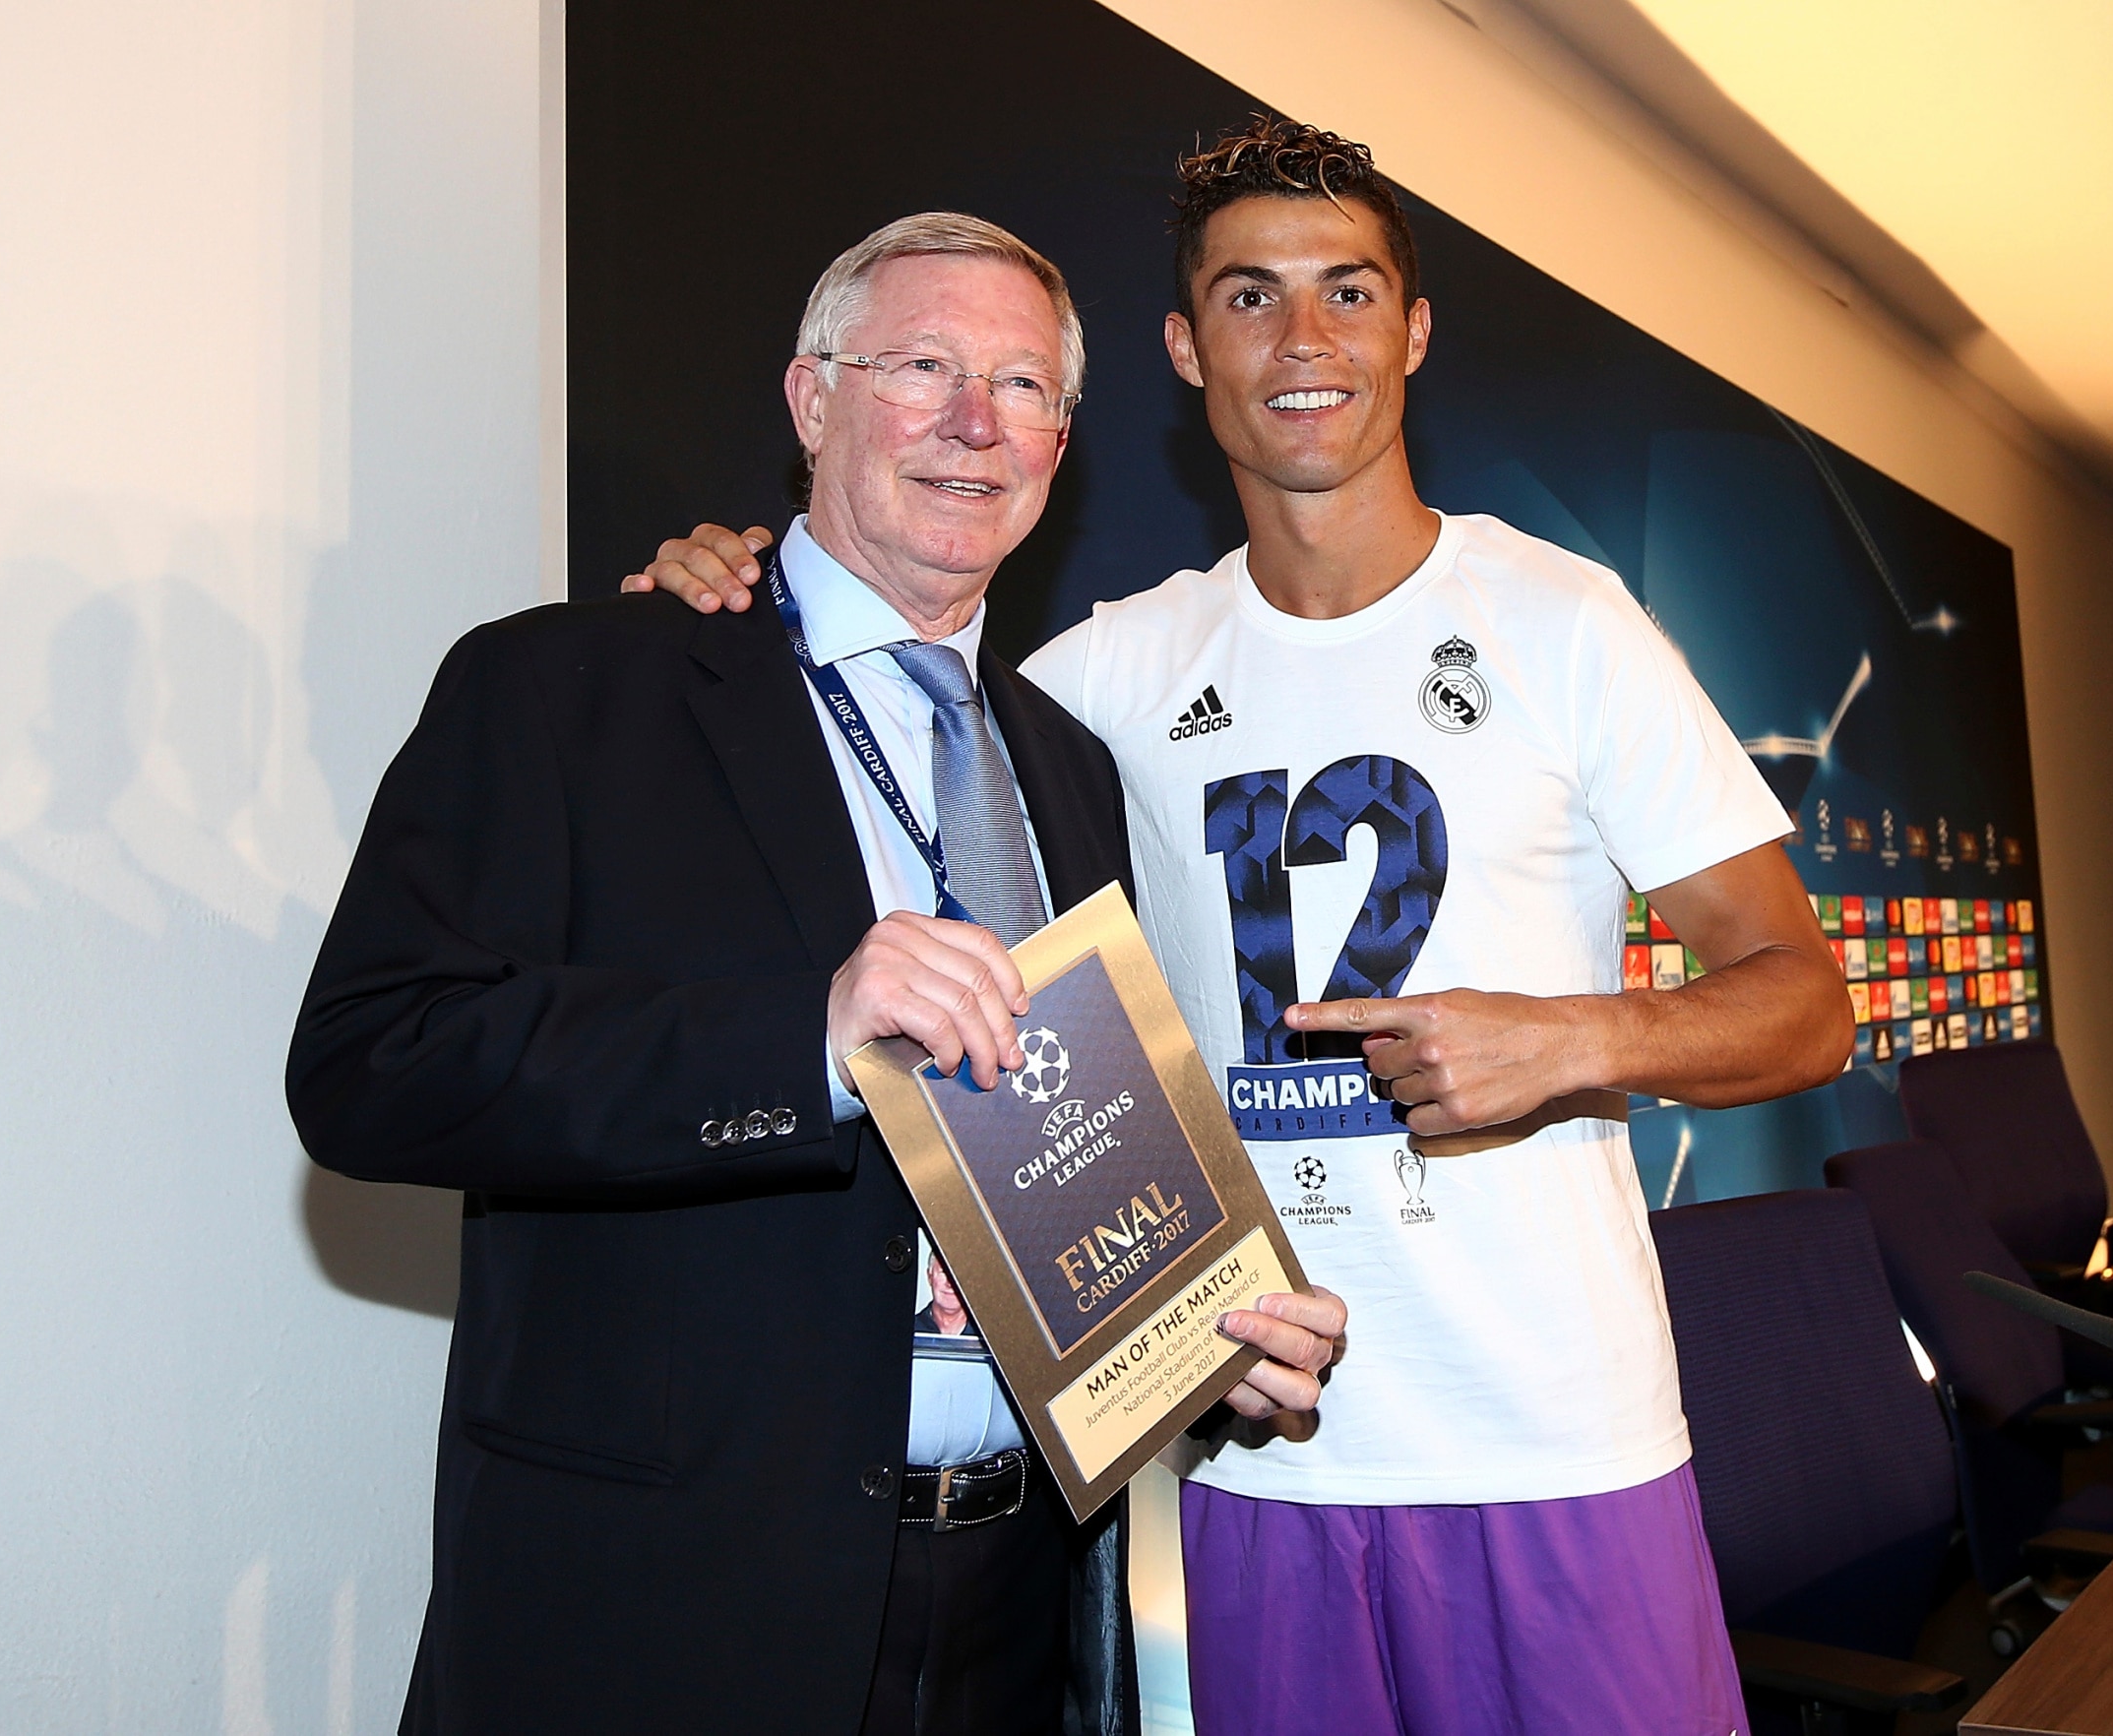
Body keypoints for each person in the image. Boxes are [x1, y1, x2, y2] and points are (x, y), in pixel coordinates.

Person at [634, 121, 1853, 1736]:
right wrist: (729, 579)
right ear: (1181, 349)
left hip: (1549, 1439)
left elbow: (1801, 1005)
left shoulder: (1564, 623)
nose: (1303, 342)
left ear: (1412, 330)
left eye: (1349, 292)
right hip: (1249, 1445)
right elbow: (865, 691)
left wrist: (1572, 1041)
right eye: (1249, 297)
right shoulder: (1100, 680)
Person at [289, 212, 1343, 1736]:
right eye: (922, 367)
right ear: (810, 401)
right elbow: (370, 1067)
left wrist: (1196, 1345)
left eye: (1025, 385)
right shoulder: (572, 687)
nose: (976, 423)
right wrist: (805, 1037)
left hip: (1009, 1600)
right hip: (670, 1596)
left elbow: (1047, 1148)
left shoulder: (1066, 767)